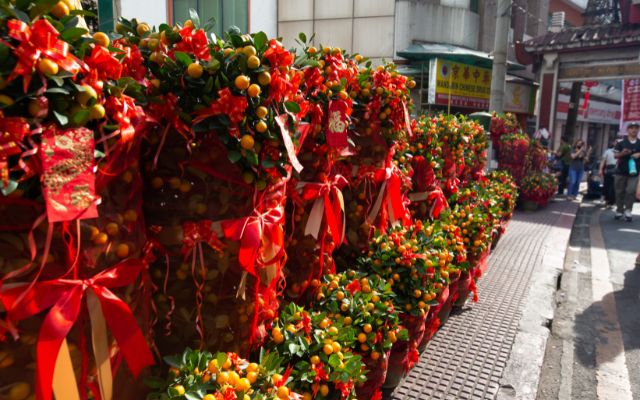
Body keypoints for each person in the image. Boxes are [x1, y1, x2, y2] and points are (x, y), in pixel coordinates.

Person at [613, 122, 640, 221]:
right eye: (632, 128)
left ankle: (628, 210)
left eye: (636, 128)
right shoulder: (621, 143)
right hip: (620, 171)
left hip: (634, 173)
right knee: (619, 191)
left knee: (630, 191)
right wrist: (622, 153)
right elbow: (615, 156)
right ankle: (619, 210)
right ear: (628, 130)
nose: (634, 130)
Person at [599, 139, 618, 208]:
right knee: (607, 185)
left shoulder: (622, 152)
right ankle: (606, 200)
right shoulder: (608, 151)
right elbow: (603, 161)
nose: (617, 143)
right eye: (616, 142)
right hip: (608, 169)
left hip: (618, 170)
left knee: (614, 187)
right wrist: (600, 170)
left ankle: (611, 202)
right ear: (613, 143)